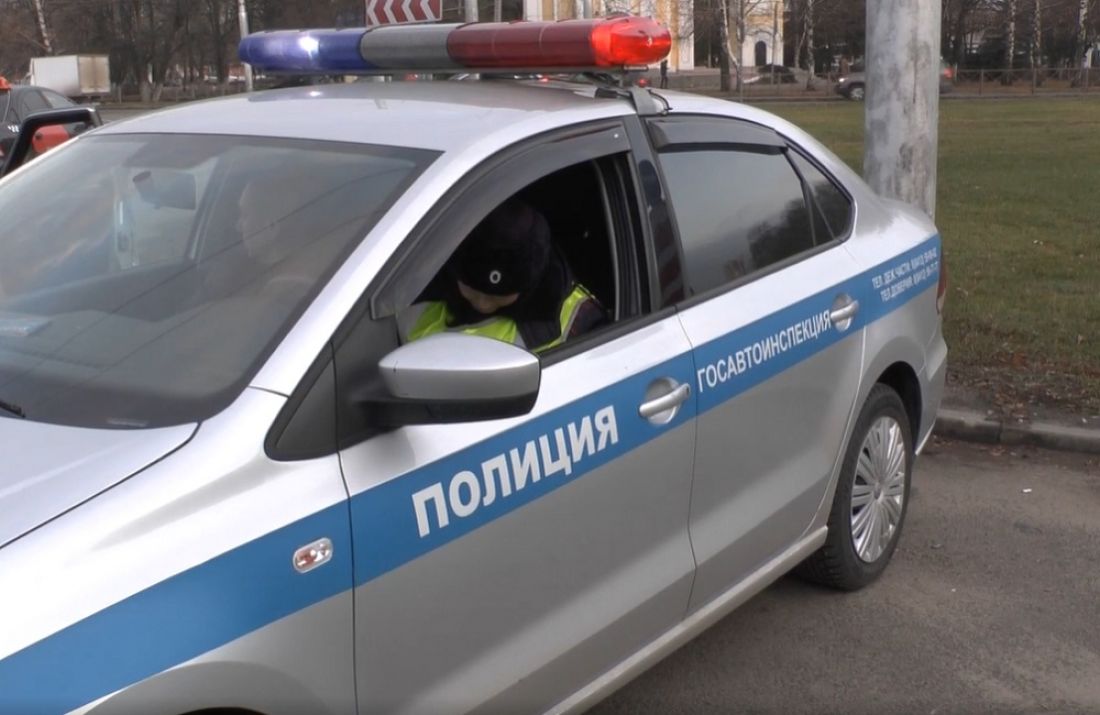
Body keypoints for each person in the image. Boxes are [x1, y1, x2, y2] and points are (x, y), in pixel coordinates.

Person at [400, 197, 607, 353]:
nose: (483, 304)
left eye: (498, 296)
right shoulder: (412, 290)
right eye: (473, 289)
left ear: (529, 284)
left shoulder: (577, 320)